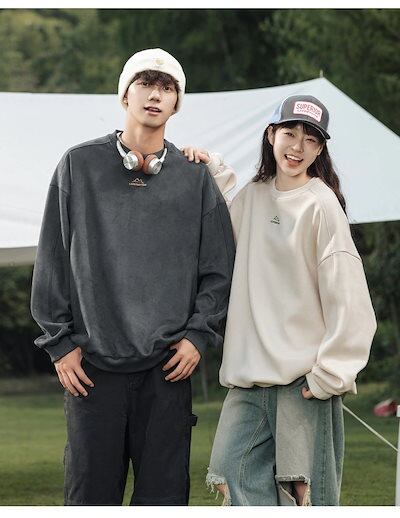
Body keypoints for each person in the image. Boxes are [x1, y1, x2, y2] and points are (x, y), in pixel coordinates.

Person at [30, 48, 235, 506]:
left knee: (164, 502)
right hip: (91, 370)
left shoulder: (194, 178)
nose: (155, 95)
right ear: (125, 94)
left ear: (177, 103)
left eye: (167, 88)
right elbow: (52, 260)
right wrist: (59, 343)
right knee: (89, 500)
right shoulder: (78, 164)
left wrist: (198, 336)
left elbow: (219, 269)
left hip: (168, 370)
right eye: (145, 84)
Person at [186, 95, 377, 506]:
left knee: (302, 496)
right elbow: (217, 237)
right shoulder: (253, 196)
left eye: (311, 139)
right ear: (271, 134)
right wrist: (210, 171)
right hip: (247, 379)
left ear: (320, 149)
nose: (297, 147)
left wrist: (330, 374)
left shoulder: (321, 204)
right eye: (290, 133)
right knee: (229, 475)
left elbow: (351, 300)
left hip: (302, 381)